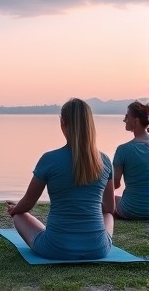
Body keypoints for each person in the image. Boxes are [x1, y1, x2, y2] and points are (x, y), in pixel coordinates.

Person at [6, 98, 115, 260]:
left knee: (20, 215)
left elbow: (27, 204)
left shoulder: (49, 159)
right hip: (98, 249)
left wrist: (14, 210)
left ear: (63, 122)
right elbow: (109, 209)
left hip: (55, 248)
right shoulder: (104, 161)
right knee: (109, 216)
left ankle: (54, 233)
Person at [113, 101, 149, 220]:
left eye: (127, 116)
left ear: (136, 121)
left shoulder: (123, 150)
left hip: (131, 209)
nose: (124, 120)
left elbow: (115, 184)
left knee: (107, 198)